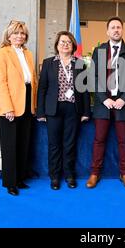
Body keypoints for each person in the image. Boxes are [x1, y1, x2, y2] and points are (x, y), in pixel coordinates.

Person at [86, 16, 125, 189]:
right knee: (99, 140)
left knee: (123, 141)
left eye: (119, 27)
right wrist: (104, 98)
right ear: (107, 31)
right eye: (113, 27)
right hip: (104, 104)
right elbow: (93, 77)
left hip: (123, 104)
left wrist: (123, 99)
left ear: (122, 30)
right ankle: (95, 173)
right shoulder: (99, 50)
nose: (116, 30)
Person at [37, 31, 91, 190]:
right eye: (62, 42)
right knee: (54, 145)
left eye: (68, 42)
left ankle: (69, 175)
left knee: (70, 144)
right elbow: (42, 89)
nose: (65, 44)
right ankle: (54, 176)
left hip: (73, 109)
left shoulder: (79, 64)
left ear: (73, 45)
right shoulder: (48, 63)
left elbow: (84, 90)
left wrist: (86, 112)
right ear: (57, 45)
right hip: (53, 109)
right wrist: (40, 112)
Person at [0, 20, 37, 196]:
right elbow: (0, 82)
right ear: (9, 35)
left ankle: (20, 178)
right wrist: (7, 107)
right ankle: (10, 182)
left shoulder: (28, 53)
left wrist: (34, 105)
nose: (20, 36)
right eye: (16, 33)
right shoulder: (2, 53)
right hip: (10, 104)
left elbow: (33, 80)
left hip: (27, 101)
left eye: (23, 33)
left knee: (23, 143)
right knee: (10, 145)